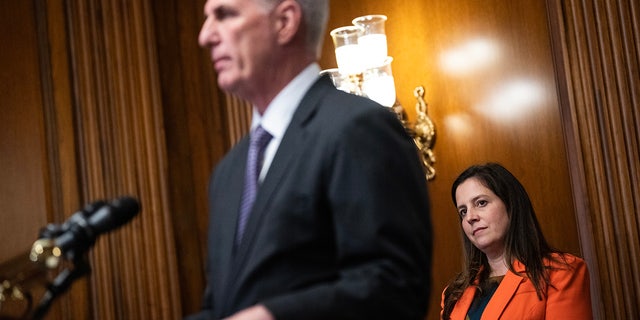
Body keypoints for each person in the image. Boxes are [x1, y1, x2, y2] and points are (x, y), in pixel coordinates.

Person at [186, 0, 433, 319]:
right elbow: (220, 306)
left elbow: (396, 287)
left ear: (285, 22)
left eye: (225, 14)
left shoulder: (357, 128)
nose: (205, 36)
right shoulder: (227, 172)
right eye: (207, 19)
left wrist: (274, 316)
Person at [441, 163, 592, 319]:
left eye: (481, 203)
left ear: (510, 205)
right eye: (463, 212)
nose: (470, 217)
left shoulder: (560, 272)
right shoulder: (452, 294)